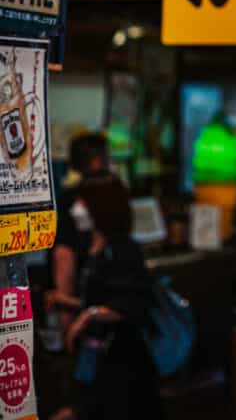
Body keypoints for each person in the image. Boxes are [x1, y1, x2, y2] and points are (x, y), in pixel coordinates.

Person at [48, 176, 160, 420]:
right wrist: (65, 301)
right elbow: (102, 297)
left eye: (81, 203)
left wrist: (87, 317)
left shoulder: (123, 249)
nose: (76, 210)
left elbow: (132, 303)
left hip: (123, 364)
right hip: (100, 360)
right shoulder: (93, 247)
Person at [52, 134, 114, 329]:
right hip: (94, 300)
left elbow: (64, 253)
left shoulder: (73, 196)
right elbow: (64, 255)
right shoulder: (103, 195)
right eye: (106, 156)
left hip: (92, 301)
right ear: (97, 161)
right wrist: (66, 317)